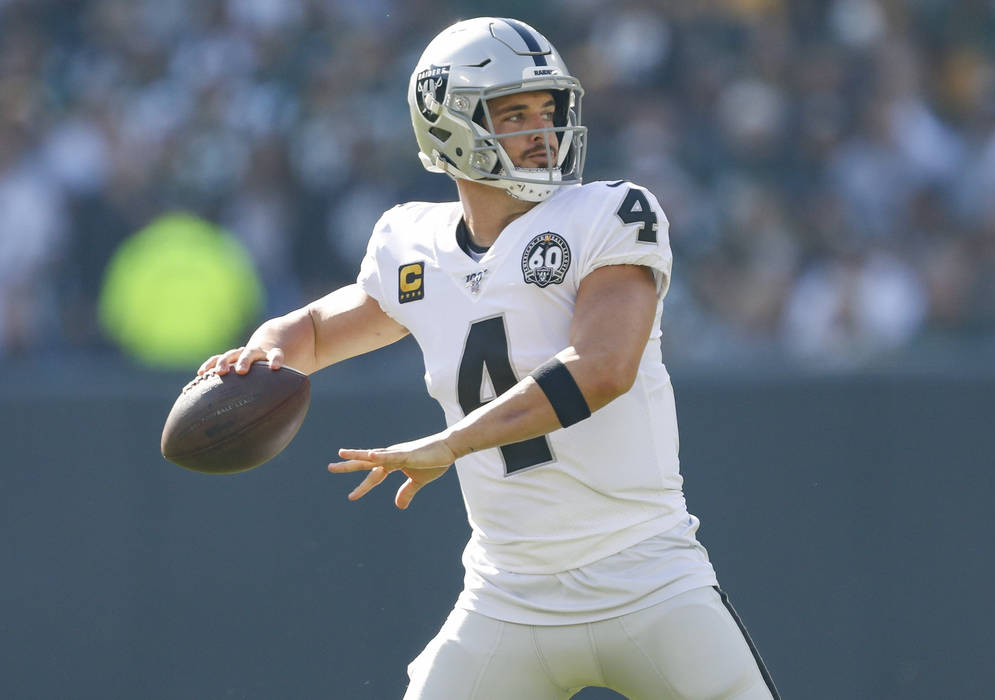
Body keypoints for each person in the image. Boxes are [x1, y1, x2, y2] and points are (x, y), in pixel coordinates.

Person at [199, 17, 779, 700]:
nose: (542, 129)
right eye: (513, 113)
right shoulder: (412, 243)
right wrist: (263, 355)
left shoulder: (609, 213)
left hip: (645, 576)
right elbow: (319, 331)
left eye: (548, 109)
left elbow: (603, 367)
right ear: (448, 125)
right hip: (509, 597)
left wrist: (451, 444)